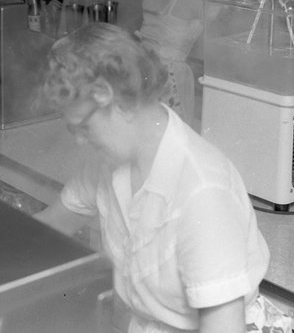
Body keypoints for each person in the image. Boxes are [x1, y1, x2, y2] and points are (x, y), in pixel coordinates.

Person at [34, 23, 272, 333]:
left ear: (109, 97)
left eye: (82, 127)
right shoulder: (109, 161)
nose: (79, 141)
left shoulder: (202, 192)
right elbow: (50, 226)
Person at [137, 0, 244, 125]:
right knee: (173, 131)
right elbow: (223, 21)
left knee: (148, 128)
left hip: (143, 65)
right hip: (168, 75)